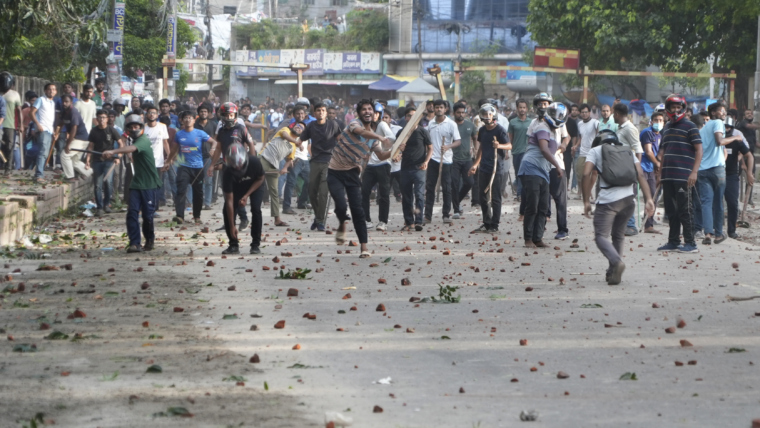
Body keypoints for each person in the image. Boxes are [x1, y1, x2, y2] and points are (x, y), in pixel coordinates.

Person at [582, 130, 654, 285]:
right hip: (629, 200)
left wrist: (586, 200)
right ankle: (612, 271)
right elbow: (640, 174)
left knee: (601, 236)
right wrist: (648, 199)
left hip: (608, 201)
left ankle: (616, 262)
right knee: (618, 235)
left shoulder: (595, 150)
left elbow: (586, 174)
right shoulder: (627, 151)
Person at [327, 99, 392, 257]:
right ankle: (342, 222)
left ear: (375, 113)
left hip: (353, 175)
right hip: (334, 172)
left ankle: (364, 247)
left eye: (370, 109)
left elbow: (382, 155)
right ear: (359, 113)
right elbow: (362, 133)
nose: (367, 112)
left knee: (358, 211)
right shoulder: (354, 124)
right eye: (364, 109)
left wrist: (396, 151)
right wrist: (382, 138)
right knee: (341, 206)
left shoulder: (373, 140)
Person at [102, 114, 162, 253]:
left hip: (149, 184)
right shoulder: (132, 140)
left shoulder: (143, 140)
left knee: (147, 216)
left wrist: (113, 151)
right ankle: (134, 243)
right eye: (131, 127)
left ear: (141, 128)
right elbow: (127, 148)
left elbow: (132, 149)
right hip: (136, 184)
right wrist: (112, 153)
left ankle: (149, 239)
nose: (134, 129)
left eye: (136, 126)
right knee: (132, 213)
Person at [656, 94, 703, 253]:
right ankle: (673, 241)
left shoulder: (690, 126)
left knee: (685, 210)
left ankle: (691, 243)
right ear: (668, 109)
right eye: (672, 108)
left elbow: (699, 150)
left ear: (682, 109)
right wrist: (660, 174)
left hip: (684, 176)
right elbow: (663, 152)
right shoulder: (667, 128)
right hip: (668, 176)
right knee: (671, 211)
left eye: (678, 108)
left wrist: (694, 172)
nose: (675, 111)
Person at [518, 103, 567, 247]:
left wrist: (563, 145)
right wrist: (557, 166)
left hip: (543, 171)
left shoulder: (552, 131)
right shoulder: (541, 127)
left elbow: (559, 144)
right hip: (531, 168)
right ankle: (528, 238)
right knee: (532, 205)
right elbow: (544, 150)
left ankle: (537, 238)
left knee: (543, 206)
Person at [696, 102, 740, 244]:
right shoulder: (717, 123)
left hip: (703, 169)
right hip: (717, 169)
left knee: (706, 202)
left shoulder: (703, 128)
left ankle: (708, 233)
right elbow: (720, 141)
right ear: (713, 113)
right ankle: (719, 234)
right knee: (718, 202)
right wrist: (734, 138)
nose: (724, 113)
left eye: (724, 111)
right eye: (721, 111)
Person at [166, 110, 217, 224]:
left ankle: (197, 216)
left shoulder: (200, 133)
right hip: (183, 166)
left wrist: (213, 149)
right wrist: (168, 161)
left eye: (190, 118)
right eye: (186, 118)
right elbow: (174, 149)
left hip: (198, 167)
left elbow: (214, 142)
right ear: (182, 120)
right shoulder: (179, 134)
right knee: (181, 190)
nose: (188, 120)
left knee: (198, 193)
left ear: (194, 120)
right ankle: (180, 216)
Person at [210, 102, 254, 230]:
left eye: (231, 115)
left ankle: (244, 218)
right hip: (226, 166)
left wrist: (252, 161)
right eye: (226, 115)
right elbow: (218, 148)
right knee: (227, 195)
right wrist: (212, 165)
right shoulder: (222, 131)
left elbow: (250, 144)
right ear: (222, 116)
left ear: (235, 115)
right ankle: (229, 223)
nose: (229, 118)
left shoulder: (241, 128)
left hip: (240, 167)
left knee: (238, 195)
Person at [469, 104, 511, 233]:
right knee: (483, 196)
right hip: (484, 168)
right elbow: (481, 148)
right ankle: (486, 222)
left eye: (489, 114)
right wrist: (475, 164)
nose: (486, 117)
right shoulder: (482, 131)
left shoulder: (500, 130)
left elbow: (509, 145)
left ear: (493, 115)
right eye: (484, 114)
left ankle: (495, 225)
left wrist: (499, 146)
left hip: (496, 168)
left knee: (495, 197)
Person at [299, 103, 341, 230]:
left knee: (323, 193)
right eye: (318, 110)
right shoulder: (311, 126)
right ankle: (318, 217)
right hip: (315, 162)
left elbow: (341, 140)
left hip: (329, 162)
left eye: (323, 110)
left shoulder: (333, 125)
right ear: (314, 113)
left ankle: (320, 221)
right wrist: (295, 145)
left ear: (326, 113)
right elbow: (300, 139)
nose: (321, 112)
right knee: (312, 192)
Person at [221, 143, 266, 255]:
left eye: (240, 166)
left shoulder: (254, 162)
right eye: (235, 167)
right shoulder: (227, 173)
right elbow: (229, 201)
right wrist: (232, 226)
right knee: (226, 211)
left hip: (255, 184)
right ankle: (233, 244)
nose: (238, 169)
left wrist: (246, 196)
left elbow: (261, 179)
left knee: (256, 209)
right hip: (237, 187)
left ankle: (255, 244)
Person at [260, 121, 304, 227]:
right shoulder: (285, 130)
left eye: (301, 128)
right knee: (255, 185)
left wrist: (284, 168)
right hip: (264, 159)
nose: (298, 128)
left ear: (301, 133)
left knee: (274, 193)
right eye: (297, 126)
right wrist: (297, 142)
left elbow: (290, 159)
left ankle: (277, 219)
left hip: (274, 166)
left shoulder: (293, 147)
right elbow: (285, 136)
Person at [424, 99, 461, 224]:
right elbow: (427, 141)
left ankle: (446, 214)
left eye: (441, 107)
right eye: (436, 107)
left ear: (445, 109)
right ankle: (427, 215)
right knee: (430, 188)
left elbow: (458, 141)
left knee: (446, 188)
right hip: (433, 159)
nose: (438, 109)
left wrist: (448, 146)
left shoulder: (451, 124)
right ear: (433, 109)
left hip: (446, 160)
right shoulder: (430, 124)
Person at [361, 102, 396, 231]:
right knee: (364, 191)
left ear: (379, 115)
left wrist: (385, 146)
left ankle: (383, 221)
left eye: (375, 113)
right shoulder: (364, 126)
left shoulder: (382, 125)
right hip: (370, 164)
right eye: (370, 112)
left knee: (384, 193)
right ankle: (366, 219)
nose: (372, 115)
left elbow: (391, 137)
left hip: (383, 164)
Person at [397, 107, 433, 231]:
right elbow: (395, 153)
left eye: (414, 115)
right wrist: (399, 152)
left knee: (419, 194)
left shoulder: (423, 132)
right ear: (405, 118)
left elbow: (430, 148)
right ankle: (409, 222)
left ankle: (418, 221)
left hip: (419, 168)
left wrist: (426, 162)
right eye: (408, 115)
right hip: (405, 169)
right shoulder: (401, 133)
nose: (411, 118)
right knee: (406, 197)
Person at [612, 103, 644, 236]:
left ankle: (631, 226)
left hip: (628, 169)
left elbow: (638, 149)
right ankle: (623, 225)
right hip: (620, 168)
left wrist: (636, 170)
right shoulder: (620, 128)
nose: (613, 116)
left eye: (614, 113)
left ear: (617, 114)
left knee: (627, 198)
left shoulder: (630, 128)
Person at [85, 109, 124, 216]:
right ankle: (99, 207)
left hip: (109, 161)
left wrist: (118, 156)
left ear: (107, 119)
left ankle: (106, 204)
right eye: (100, 117)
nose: (102, 120)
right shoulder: (94, 131)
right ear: (97, 119)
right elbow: (91, 146)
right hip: (97, 161)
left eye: (104, 117)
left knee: (108, 182)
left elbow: (121, 144)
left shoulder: (112, 130)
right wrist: (88, 160)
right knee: (98, 185)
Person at [723, 117, 755, 239]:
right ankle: (714, 229)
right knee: (715, 203)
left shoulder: (737, 140)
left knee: (732, 203)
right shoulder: (715, 140)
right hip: (716, 174)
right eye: (724, 127)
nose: (726, 130)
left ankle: (732, 230)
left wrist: (749, 173)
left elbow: (750, 156)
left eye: (728, 127)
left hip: (731, 175)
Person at [56, 94, 93, 181]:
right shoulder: (64, 112)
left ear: (71, 102)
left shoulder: (73, 112)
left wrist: (67, 145)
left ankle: (70, 177)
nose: (64, 103)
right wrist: (56, 132)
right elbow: (61, 123)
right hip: (80, 139)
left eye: (67, 102)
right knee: (74, 162)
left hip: (80, 139)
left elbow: (74, 129)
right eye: (63, 102)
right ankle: (90, 172)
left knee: (64, 155)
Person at [451, 102, 478, 219]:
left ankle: (457, 200)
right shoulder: (450, 125)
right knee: (455, 184)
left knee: (469, 182)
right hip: (453, 159)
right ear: (454, 113)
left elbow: (475, 137)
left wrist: (476, 149)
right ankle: (456, 209)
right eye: (458, 112)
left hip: (467, 158)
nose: (461, 114)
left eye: (463, 112)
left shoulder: (470, 125)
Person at [142, 105, 171, 210]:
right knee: (147, 185)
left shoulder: (162, 126)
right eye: (149, 113)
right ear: (146, 115)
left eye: (154, 113)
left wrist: (169, 157)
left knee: (158, 185)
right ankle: (147, 205)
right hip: (145, 162)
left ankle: (155, 206)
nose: (151, 114)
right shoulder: (143, 128)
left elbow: (165, 143)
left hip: (159, 161)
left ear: (157, 115)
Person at [640, 112, 665, 233]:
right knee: (637, 196)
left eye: (661, 120)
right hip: (642, 167)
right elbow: (649, 152)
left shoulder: (660, 135)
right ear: (651, 121)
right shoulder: (647, 133)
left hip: (651, 168)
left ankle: (648, 224)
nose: (658, 123)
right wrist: (658, 163)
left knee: (652, 196)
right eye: (656, 120)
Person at [30, 84, 56, 182]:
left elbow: (49, 118)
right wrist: (38, 124)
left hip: (49, 130)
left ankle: (40, 173)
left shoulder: (52, 103)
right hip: (42, 129)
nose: (51, 91)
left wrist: (53, 130)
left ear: (56, 91)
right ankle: (38, 175)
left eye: (53, 89)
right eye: (49, 89)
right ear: (45, 91)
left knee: (45, 153)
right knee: (42, 152)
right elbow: (31, 113)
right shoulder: (41, 100)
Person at [573, 104, 598, 197]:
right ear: (580, 113)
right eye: (582, 112)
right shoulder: (579, 124)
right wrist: (575, 145)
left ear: (589, 112)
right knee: (580, 173)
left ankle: (588, 192)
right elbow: (581, 137)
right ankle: (584, 191)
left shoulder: (595, 122)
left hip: (593, 152)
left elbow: (598, 132)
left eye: (586, 112)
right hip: (582, 152)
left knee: (593, 173)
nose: (584, 114)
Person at [508, 98, 530, 202]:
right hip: (516, 151)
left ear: (527, 109)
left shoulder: (531, 122)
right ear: (517, 108)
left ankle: (521, 193)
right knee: (518, 173)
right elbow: (510, 138)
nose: (522, 109)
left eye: (524, 107)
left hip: (528, 152)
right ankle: (520, 191)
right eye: (520, 107)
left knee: (526, 173)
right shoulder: (512, 122)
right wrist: (506, 151)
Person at [1, 72, 22, 173]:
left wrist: (21, 125)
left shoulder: (15, 94)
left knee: (9, 146)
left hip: (9, 124)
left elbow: (19, 110)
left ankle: (8, 168)